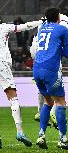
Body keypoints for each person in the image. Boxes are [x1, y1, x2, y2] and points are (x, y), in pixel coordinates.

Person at [33, 8, 68, 150]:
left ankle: (41, 135)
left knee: (48, 101)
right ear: (58, 18)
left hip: (36, 69)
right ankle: (63, 139)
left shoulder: (42, 28)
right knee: (60, 102)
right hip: (50, 70)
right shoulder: (62, 29)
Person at [0, 18, 42, 148]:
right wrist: (40, 22)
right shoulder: (4, 27)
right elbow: (25, 26)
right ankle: (20, 132)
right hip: (2, 64)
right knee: (13, 98)